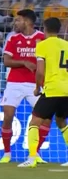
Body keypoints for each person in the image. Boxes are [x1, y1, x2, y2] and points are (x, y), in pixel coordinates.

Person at [0, 9, 48, 164]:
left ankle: (35, 153)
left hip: (36, 83)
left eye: (18, 20)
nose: (16, 22)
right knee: (8, 116)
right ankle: (7, 153)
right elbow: (6, 61)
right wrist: (23, 62)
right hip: (14, 82)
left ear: (27, 21)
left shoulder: (42, 38)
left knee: (45, 119)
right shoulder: (13, 39)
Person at [18, 17, 68, 168]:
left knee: (35, 121)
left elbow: (40, 71)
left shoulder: (42, 45)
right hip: (66, 90)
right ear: (59, 30)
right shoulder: (66, 44)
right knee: (61, 122)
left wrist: (37, 87)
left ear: (45, 29)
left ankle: (32, 158)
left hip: (52, 88)